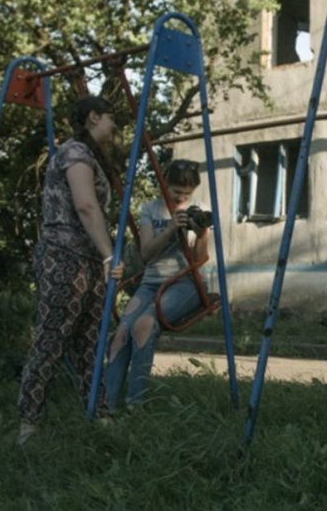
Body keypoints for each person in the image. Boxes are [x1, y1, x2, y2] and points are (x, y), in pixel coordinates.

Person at [17, 95, 124, 445]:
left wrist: (102, 258)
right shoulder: (76, 152)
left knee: (92, 342)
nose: (115, 127)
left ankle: (101, 416)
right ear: (93, 117)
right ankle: (28, 424)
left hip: (88, 260)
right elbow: (85, 205)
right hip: (65, 258)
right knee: (52, 339)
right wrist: (111, 256)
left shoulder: (89, 154)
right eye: (111, 118)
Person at [104, 159, 210, 409]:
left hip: (184, 283)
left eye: (187, 194)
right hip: (151, 283)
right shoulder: (151, 209)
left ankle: (135, 405)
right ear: (164, 185)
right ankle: (105, 405)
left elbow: (199, 261)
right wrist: (171, 228)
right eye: (176, 193)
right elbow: (146, 255)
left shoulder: (199, 209)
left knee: (143, 326)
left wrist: (202, 233)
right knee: (120, 334)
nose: (182, 199)